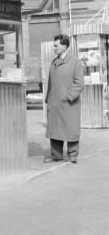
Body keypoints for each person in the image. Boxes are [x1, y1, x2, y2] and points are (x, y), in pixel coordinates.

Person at [45, 34, 84, 164]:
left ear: (64, 46)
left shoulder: (75, 62)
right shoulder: (53, 62)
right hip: (55, 102)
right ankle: (56, 155)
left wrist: (69, 97)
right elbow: (51, 83)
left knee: (70, 128)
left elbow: (79, 82)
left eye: (56, 46)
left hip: (69, 103)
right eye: (53, 46)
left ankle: (73, 155)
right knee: (55, 130)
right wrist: (48, 99)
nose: (54, 48)